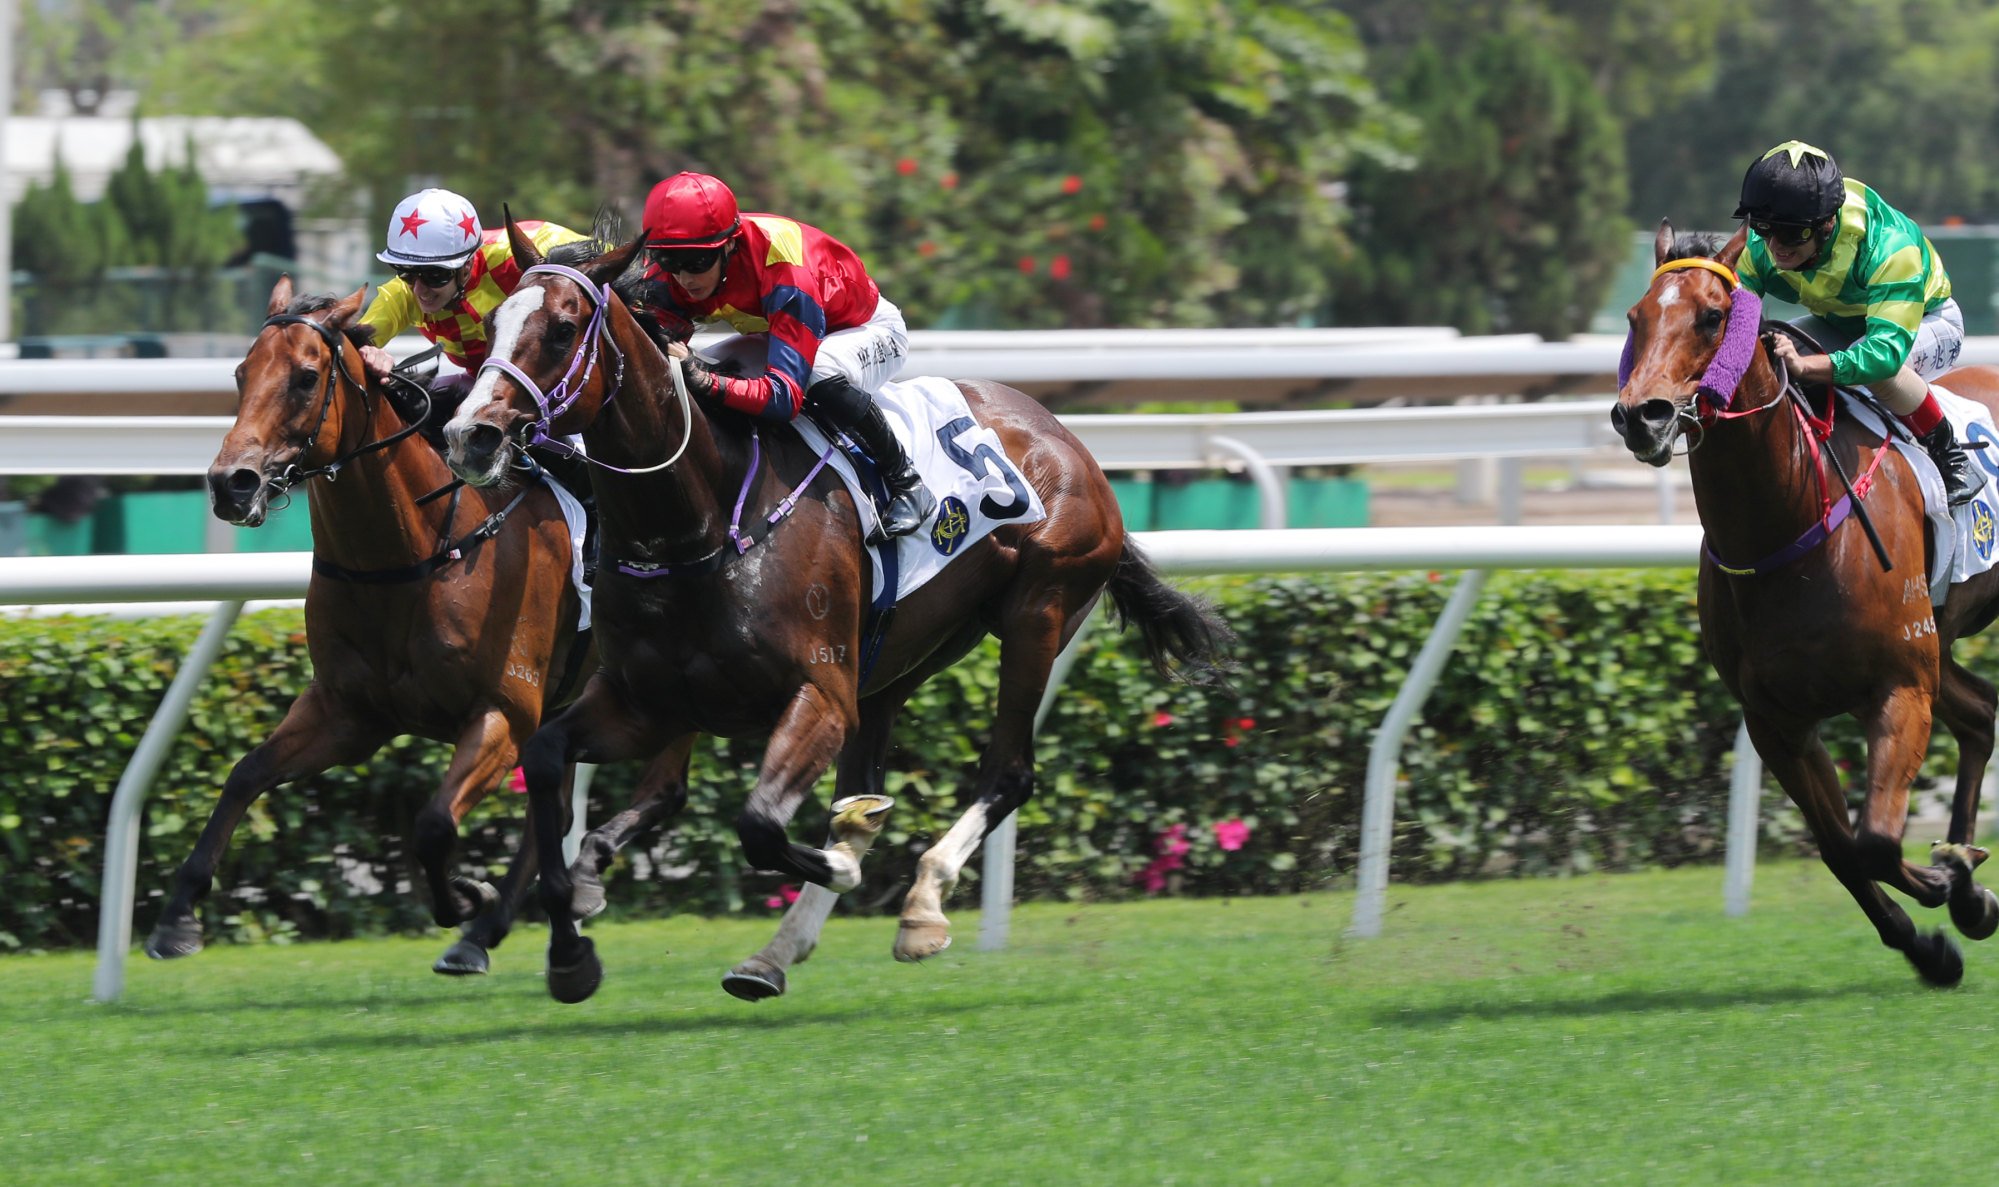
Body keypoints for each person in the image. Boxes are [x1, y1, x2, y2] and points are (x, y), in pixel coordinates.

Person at [620, 171, 935, 540]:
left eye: (696, 262)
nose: (684, 277)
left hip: (864, 330)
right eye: (671, 262)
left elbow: (784, 398)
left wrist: (706, 380)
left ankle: (907, 482)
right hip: (775, 333)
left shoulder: (783, 269)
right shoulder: (666, 274)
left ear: (728, 246)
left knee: (816, 373)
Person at [1734, 141, 1979, 506]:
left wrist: (1806, 366)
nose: (1775, 245)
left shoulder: (1889, 247)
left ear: (1827, 223)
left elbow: (1883, 354)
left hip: (1927, 322)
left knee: (1877, 372)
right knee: (1770, 353)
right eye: (1765, 228)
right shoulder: (1760, 246)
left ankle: (1949, 454)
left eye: (1791, 234)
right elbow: (1737, 326)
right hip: (1841, 325)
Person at [355, 188, 588, 389]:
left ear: (467, 265)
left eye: (434, 275)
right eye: (405, 271)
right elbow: (352, 342)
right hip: (487, 391)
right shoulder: (402, 294)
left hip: (569, 382)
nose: (419, 290)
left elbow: (618, 270)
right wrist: (369, 352)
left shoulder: (529, 247)